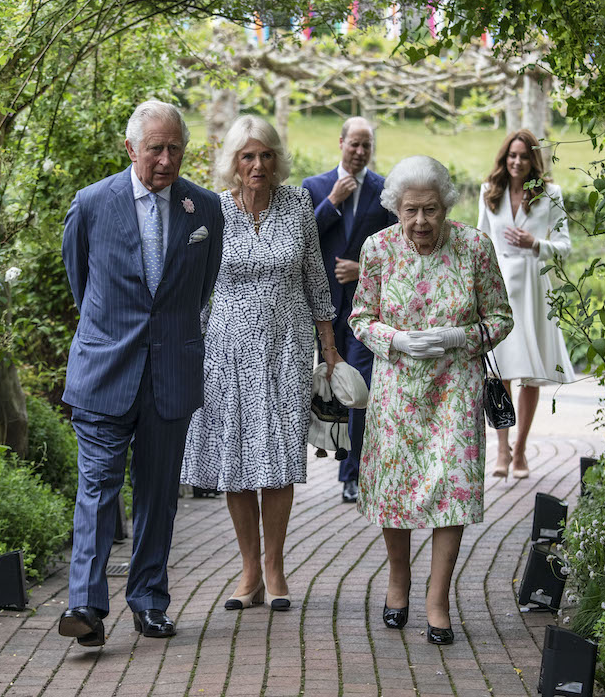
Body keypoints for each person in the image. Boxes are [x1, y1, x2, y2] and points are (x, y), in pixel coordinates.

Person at [57, 100, 224, 647]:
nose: (167, 158)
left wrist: (168, 337)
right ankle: (85, 602)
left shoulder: (205, 210)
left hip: (170, 372)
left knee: (158, 495)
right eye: (156, 148)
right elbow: (81, 284)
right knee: (98, 487)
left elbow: (201, 289)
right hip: (106, 371)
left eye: (176, 147)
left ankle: (149, 601)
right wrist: (115, 334)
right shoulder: (91, 204)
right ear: (131, 149)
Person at [349, 155, 512, 644]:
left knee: (453, 490)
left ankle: (437, 600)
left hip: (455, 391)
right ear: (396, 207)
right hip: (397, 391)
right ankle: (398, 581)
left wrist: (458, 337)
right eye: (411, 210)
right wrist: (396, 340)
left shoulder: (474, 248)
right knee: (396, 490)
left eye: (431, 210)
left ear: (446, 206)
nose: (421, 221)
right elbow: (359, 318)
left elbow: (501, 318)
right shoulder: (377, 250)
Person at [182, 115, 342, 612]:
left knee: (276, 461)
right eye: (248, 156)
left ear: (278, 160)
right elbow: (195, 282)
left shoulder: (297, 203)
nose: (258, 165)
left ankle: (274, 566)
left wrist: (329, 345)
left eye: (266, 155)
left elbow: (316, 275)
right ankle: (249, 568)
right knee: (235, 459)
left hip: (286, 350)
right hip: (225, 351)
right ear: (234, 161)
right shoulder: (211, 209)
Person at [302, 117, 397, 504]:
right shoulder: (315, 187)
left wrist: (363, 269)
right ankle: (336, 461)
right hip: (322, 309)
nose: (359, 152)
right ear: (340, 142)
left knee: (358, 389)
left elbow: (396, 246)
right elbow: (303, 237)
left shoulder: (385, 189)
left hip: (365, 310)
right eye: (353, 144)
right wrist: (333, 202)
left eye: (366, 146)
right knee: (331, 388)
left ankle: (352, 474)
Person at [476, 129, 576, 479]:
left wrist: (536, 243)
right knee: (499, 371)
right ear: (504, 158)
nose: (516, 162)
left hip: (534, 290)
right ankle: (501, 451)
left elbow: (565, 246)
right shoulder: (490, 193)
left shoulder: (551, 194)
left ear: (533, 160)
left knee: (530, 375)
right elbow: (480, 242)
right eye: (511, 156)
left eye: (523, 156)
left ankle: (520, 451)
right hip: (499, 289)